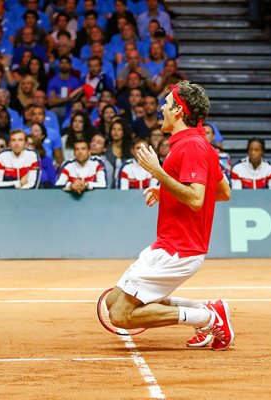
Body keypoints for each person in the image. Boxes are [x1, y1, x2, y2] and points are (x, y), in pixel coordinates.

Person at [104, 81, 234, 351]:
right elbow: (221, 193)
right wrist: (168, 192)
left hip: (179, 250)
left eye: (166, 103)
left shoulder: (193, 147)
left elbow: (198, 199)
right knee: (111, 301)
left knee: (120, 315)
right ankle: (207, 310)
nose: (161, 107)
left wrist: (159, 173)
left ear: (178, 110)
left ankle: (208, 318)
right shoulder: (199, 146)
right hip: (169, 245)